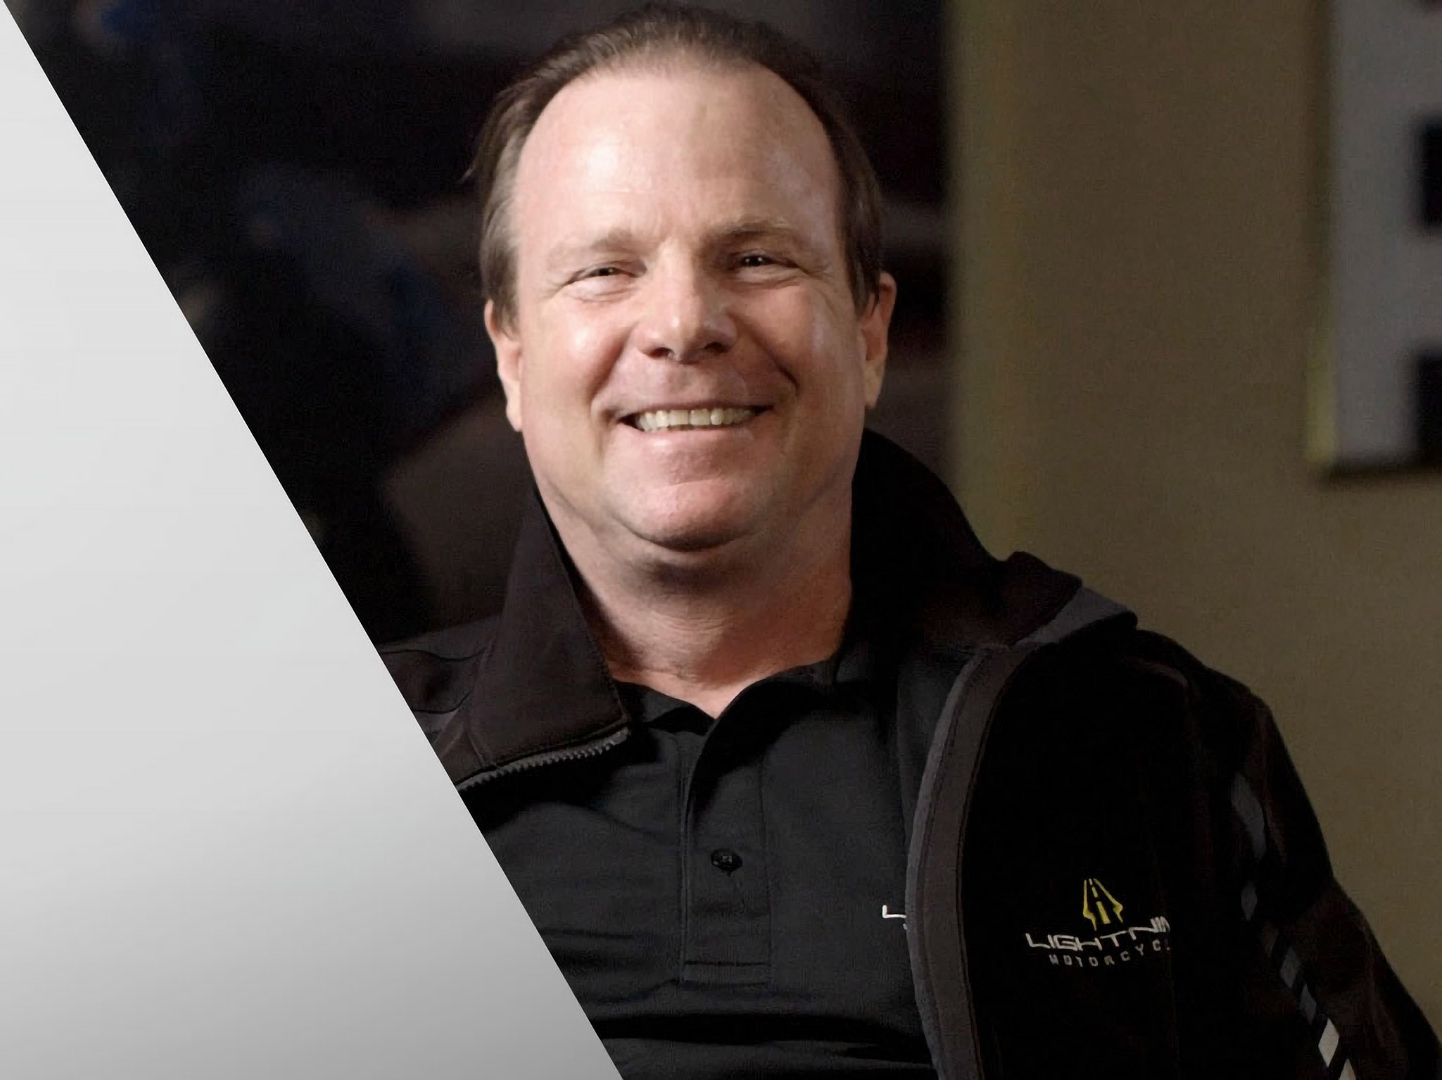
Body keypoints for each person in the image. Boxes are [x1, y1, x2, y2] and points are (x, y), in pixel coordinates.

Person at [379, 5, 1440, 1078]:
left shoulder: (1148, 737)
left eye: (755, 256)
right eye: (605, 270)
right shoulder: (351, 776)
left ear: (871, 332)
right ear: (511, 355)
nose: (684, 323)